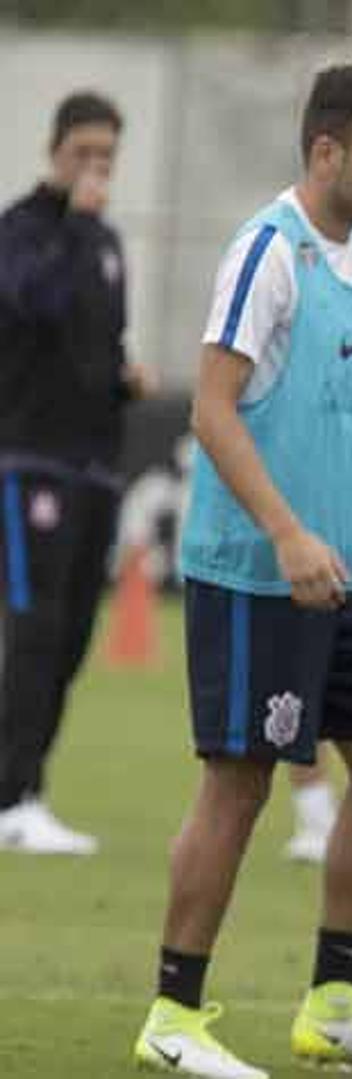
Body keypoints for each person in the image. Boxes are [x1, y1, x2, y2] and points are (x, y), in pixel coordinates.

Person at [131, 65, 352, 1079]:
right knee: (241, 784)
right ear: (326, 154)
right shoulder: (269, 251)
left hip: (345, 571)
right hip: (262, 573)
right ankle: (174, 1013)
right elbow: (211, 408)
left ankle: (339, 1000)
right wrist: (289, 533)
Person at [0, 90, 156, 854]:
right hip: (30, 461)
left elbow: (99, 338)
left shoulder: (106, 241)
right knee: (31, 630)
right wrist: (67, 213)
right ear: (55, 152)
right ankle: (8, 797)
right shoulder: (25, 232)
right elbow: (33, 303)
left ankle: (28, 787)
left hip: (96, 464)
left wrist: (124, 377)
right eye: (83, 154)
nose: (97, 169)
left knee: (68, 637)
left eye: (107, 157)